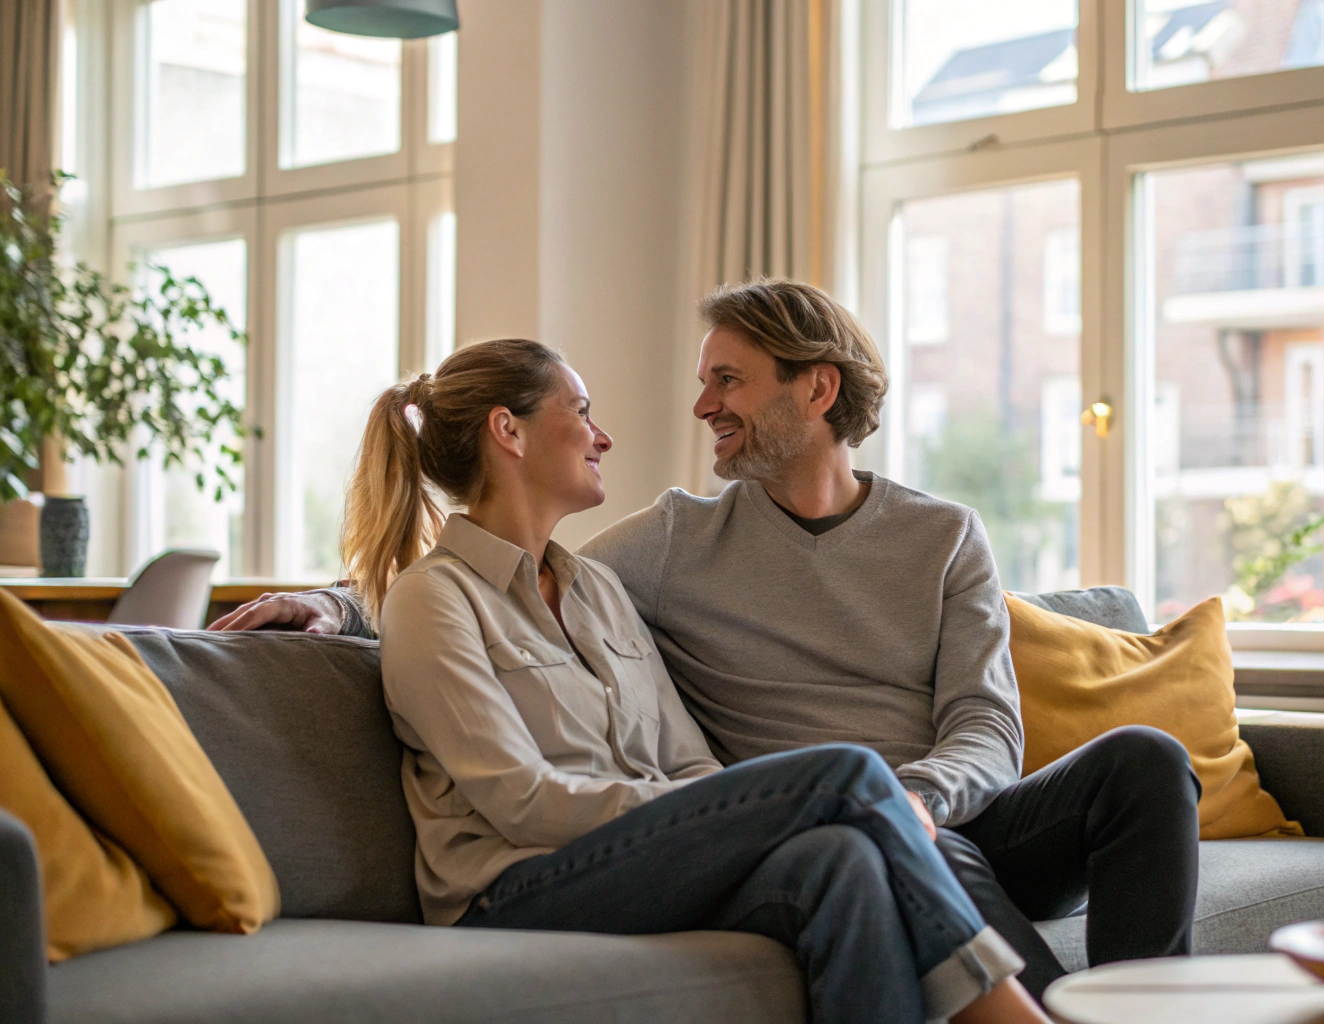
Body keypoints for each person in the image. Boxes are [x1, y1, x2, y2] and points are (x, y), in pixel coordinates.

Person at [213, 282, 1202, 998]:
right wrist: (335, 603)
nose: (699, 408)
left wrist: (918, 799)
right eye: (702, 382)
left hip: (935, 810)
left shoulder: (941, 537)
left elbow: (988, 724)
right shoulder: (672, 540)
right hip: (806, 811)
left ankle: (1136, 1002)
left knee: (1147, 764)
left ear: (815, 390)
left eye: (727, 380)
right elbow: (468, 582)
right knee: (849, 822)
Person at [332, 337, 1049, 1024]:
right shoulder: (434, 598)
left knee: (844, 858)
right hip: (511, 888)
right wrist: (697, 814)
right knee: (847, 776)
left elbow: (689, 761)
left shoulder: (599, 590)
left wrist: (705, 816)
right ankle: (1012, 1013)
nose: (602, 436)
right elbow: (522, 802)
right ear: (507, 432)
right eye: (581, 412)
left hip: (640, 856)